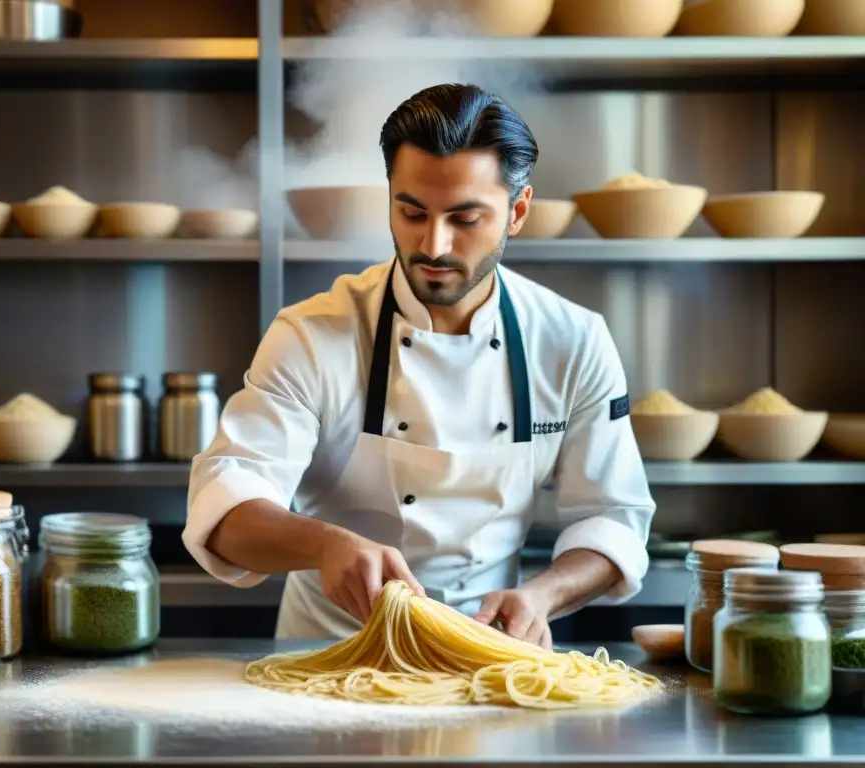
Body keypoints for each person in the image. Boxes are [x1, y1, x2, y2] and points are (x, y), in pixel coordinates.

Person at [183, 83, 656, 648]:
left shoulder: (572, 341)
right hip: (328, 659)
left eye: (465, 218)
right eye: (412, 212)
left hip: (488, 653)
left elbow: (613, 518)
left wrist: (542, 596)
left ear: (518, 212)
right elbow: (226, 503)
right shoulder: (311, 334)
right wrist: (325, 545)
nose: (433, 245)